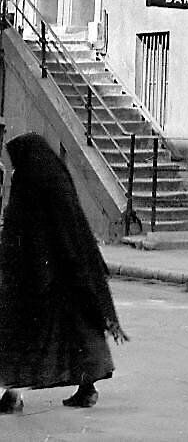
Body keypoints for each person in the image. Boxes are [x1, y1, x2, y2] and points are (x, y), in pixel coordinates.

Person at [0, 132, 128, 414]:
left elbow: (22, 229)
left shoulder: (29, 180)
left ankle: (13, 395)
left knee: (24, 337)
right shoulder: (56, 177)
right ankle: (86, 388)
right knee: (77, 335)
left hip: (40, 276)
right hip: (70, 271)